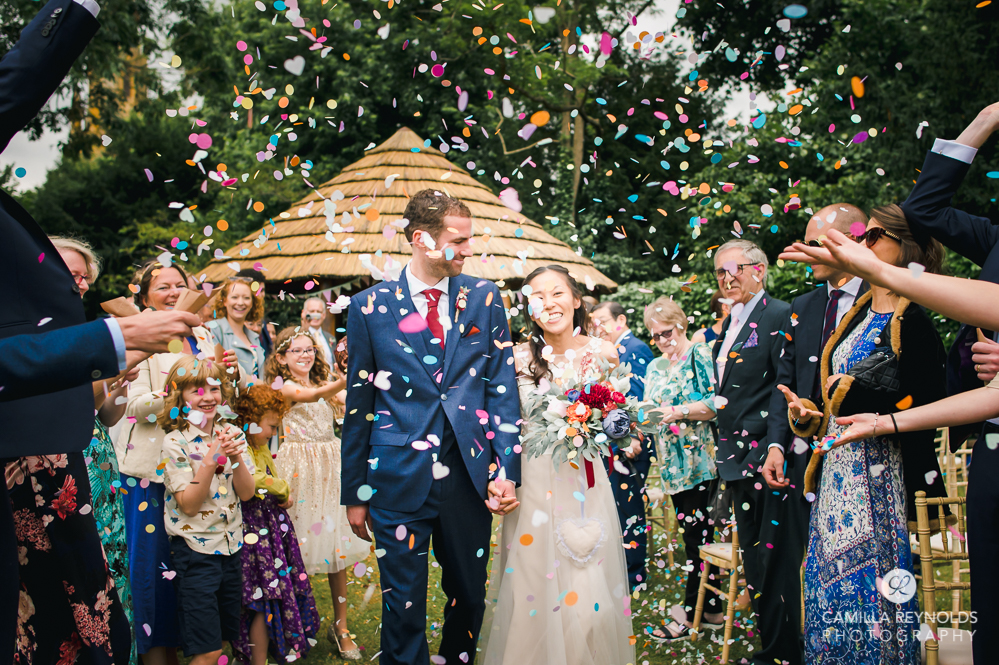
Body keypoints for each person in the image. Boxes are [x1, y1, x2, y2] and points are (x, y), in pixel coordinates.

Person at [778, 202, 999, 665]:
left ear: (906, 248)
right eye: (865, 235)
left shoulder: (914, 323)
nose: (865, 242)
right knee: (824, 587)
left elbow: (926, 402)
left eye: (876, 235)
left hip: (880, 479)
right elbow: (839, 407)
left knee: (872, 595)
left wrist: (862, 394)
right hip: (837, 479)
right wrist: (809, 416)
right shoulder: (852, 318)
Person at [341, 189, 521, 665]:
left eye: (469, 241)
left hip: (468, 475)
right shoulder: (367, 307)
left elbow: (502, 388)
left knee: (469, 594)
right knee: (402, 604)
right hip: (396, 476)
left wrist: (508, 469)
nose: (467, 251)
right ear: (421, 239)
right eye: (458, 241)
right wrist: (354, 492)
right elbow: (359, 406)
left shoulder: (485, 297)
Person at [483, 265, 634, 665]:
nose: (549, 304)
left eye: (557, 293)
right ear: (529, 309)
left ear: (576, 299)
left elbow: (620, 417)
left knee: (587, 585)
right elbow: (502, 424)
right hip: (532, 483)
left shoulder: (604, 354)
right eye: (538, 297)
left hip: (584, 483)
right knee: (533, 582)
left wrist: (609, 426)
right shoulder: (515, 358)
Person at [755, 203, 868, 664]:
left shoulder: (881, 299)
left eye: (816, 242)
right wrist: (777, 444)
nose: (805, 250)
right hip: (802, 458)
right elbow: (785, 384)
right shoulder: (802, 307)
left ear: (854, 241)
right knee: (796, 559)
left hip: (861, 455)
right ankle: (797, 649)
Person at [116, 259, 240, 665]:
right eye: (162, 287)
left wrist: (227, 379)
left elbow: (216, 399)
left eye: (179, 285)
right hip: (152, 471)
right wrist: (177, 397)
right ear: (144, 294)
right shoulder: (141, 335)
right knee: (154, 572)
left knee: (196, 576)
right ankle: (157, 655)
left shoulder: (203, 334)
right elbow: (131, 407)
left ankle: (201, 648)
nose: (172, 293)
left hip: (204, 468)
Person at [53, 235, 141, 664]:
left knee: (113, 560)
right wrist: (112, 372)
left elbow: (104, 415)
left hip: (101, 460)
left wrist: (121, 384)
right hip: (68, 465)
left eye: (85, 277)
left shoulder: (82, 330)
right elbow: (70, 410)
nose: (82, 283)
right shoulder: (38, 337)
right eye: (73, 274)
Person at [710, 239, 790, 662]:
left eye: (735, 268)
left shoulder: (777, 314)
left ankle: (780, 649)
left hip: (765, 457)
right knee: (754, 562)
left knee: (771, 560)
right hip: (734, 460)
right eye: (720, 272)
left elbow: (781, 387)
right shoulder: (731, 322)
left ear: (759, 269)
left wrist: (774, 443)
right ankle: (771, 646)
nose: (727, 278)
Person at [264, 327, 363, 658]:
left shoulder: (322, 385)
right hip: (298, 471)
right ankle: (292, 624)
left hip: (330, 469)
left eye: (309, 350)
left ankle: (342, 626)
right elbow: (309, 397)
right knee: (295, 550)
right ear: (280, 358)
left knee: (336, 550)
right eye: (296, 351)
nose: (305, 355)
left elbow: (348, 401)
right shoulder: (284, 386)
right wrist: (345, 377)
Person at [158, 355, 254, 665]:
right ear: (179, 397)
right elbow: (188, 504)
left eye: (213, 389)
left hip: (231, 549)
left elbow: (247, 492)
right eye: (196, 391)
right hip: (195, 553)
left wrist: (236, 458)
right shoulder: (175, 444)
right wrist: (212, 460)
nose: (207, 397)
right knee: (208, 651)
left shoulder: (232, 433)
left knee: (222, 641)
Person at [641, 296, 721, 639]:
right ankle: (714, 611)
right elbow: (647, 408)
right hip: (671, 465)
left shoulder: (700, 355)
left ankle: (692, 614)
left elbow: (716, 403)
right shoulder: (654, 367)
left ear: (682, 324)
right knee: (695, 538)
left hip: (701, 461)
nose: (662, 341)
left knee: (696, 540)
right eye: (655, 335)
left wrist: (679, 411)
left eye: (667, 332)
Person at [231, 384, 319, 665]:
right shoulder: (241, 447)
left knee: (272, 591)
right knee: (260, 593)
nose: (273, 433)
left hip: (269, 530)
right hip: (254, 532)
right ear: (250, 421)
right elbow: (258, 479)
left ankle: (265, 651)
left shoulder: (258, 445)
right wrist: (281, 489)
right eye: (270, 426)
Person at [588, 300, 655, 589]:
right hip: (611, 444)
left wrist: (630, 438)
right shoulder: (606, 351)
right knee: (615, 509)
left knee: (630, 511)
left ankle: (634, 576)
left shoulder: (635, 348)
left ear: (621, 320)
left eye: (603, 320)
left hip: (630, 445)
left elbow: (637, 398)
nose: (598, 327)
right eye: (595, 322)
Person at [208, 277, 267, 379]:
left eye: (246, 298)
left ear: (252, 303)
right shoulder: (212, 329)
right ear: (224, 301)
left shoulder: (254, 337)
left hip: (258, 393)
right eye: (234, 297)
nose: (240, 302)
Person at [301, 296, 337, 370]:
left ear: (324, 315)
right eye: (311, 311)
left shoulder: (330, 338)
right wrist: (304, 329)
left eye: (318, 312)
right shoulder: (299, 336)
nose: (315, 315)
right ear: (303, 313)